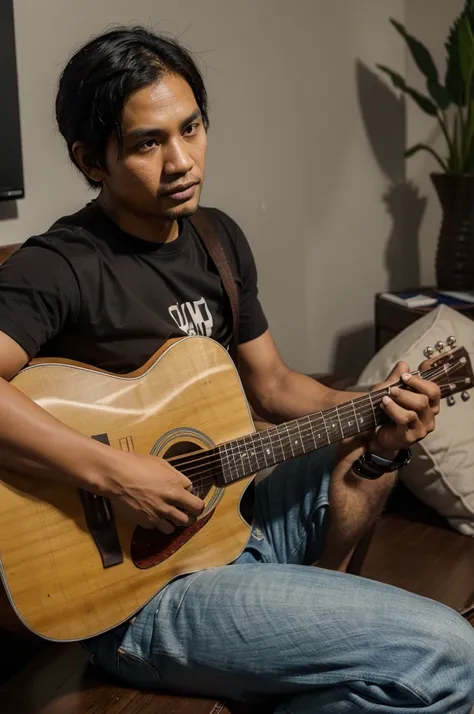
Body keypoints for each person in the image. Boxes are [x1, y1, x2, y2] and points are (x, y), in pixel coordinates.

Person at [0, 25, 472, 714]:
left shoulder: (217, 240)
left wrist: (381, 404)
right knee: (454, 656)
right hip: (138, 592)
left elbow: (277, 387)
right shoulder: (60, 266)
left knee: (369, 436)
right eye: (146, 143)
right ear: (90, 159)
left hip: (235, 519)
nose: (181, 160)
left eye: (191, 129)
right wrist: (115, 473)